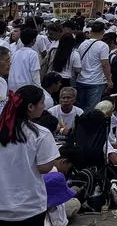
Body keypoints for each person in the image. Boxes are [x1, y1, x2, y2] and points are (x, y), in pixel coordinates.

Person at [0, 85, 60, 226]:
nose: (44, 106)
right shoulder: (40, 134)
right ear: (30, 107)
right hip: (29, 205)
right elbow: (44, 168)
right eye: (41, 103)